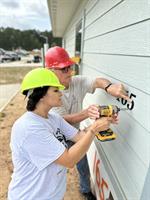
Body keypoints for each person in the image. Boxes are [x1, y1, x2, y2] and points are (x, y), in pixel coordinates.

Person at [7, 68, 118, 200]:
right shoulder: (29, 128)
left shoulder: (53, 118)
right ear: (41, 95)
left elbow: (79, 136)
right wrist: (94, 129)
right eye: (55, 90)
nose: (61, 93)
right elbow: (69, 160)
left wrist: (99, 124)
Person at [45, 46, 130, 200]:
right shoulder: (49, 93)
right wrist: (87, 113)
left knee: (83, 165)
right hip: (56, 136)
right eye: (64, 69)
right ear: (51, 71)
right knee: (56, 171)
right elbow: (61, 121)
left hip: (76, 133)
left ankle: (85, 190)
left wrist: (109, 87)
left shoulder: (76, 81)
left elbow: (97, 81)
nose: (70, 72)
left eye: (70, 67)